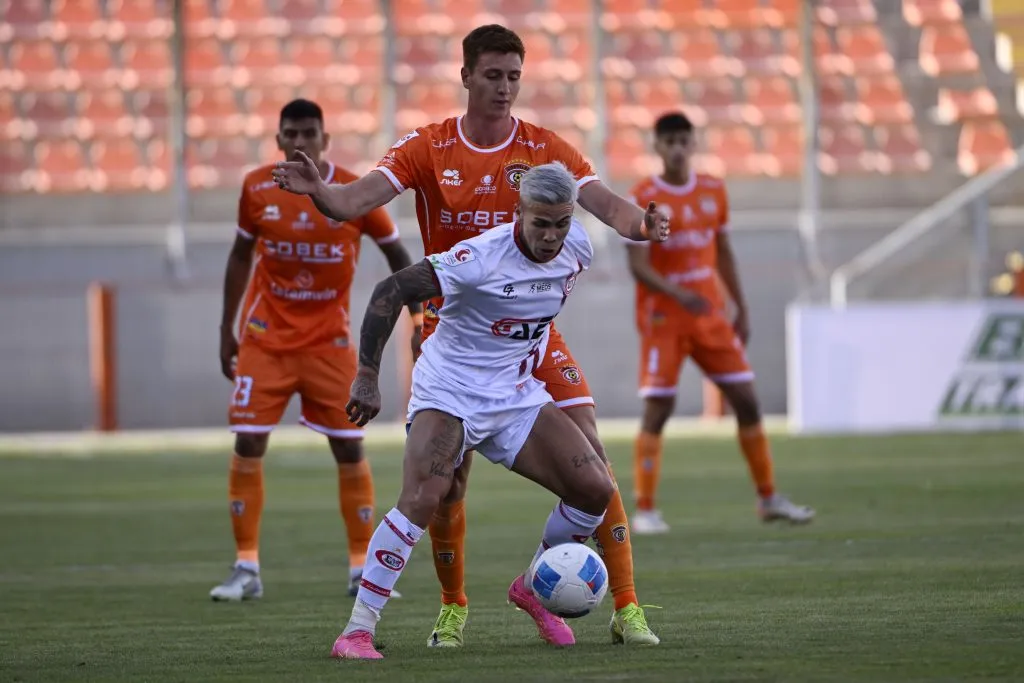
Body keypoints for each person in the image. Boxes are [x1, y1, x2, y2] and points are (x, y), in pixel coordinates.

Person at [272, 25, 664, 647]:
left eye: (513, 76)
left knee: (594, 475)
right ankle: (420, 614)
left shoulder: (549, 167)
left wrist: (641, 224)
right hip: (451, 347)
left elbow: (606, 205)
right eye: (492, 75)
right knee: (437, 490)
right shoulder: (433, 156)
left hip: (523, 351)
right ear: (466, 76)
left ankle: (594, 598)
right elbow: (356, 215)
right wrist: (322, 192)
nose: (505, 88)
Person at [330, 163, 654, 660]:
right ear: (518, 212)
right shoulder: (478, 257)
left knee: (595, 489)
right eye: (539, 223)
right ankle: (356, 631)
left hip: (514, 396)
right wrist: (367, 376)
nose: (551, 236)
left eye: (561, 223)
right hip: (449, 392)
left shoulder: (578, 250)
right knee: (423, 498)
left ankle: (531, 584)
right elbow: (389, 290)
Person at [210, 98, 422, 602]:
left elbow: (397, 253)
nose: (300, 142)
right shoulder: (257, 188)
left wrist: (420, 315)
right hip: (266, 339)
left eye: (309, 133)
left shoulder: (351, 190)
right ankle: (246, 568)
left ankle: (359, 569)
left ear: (325, 140)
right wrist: (226, 327)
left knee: (349, 445)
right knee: (248, 441)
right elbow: (240, 254)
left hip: (330, 342)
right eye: (291, 134)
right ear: (279, 140)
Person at [625, 112, 814, 534]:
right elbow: (638, 265)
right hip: (665, 319)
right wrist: (677, 294)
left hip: (710, 315)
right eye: (668, 141)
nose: (676, 148)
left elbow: (723, 249)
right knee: (659, 407)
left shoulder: (713, 190)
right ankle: (645, 509)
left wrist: (740, 305)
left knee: (746, 401)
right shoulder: (643, 196)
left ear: (693, 144)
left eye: (683, 140)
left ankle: (768, 498)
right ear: (657, 146)